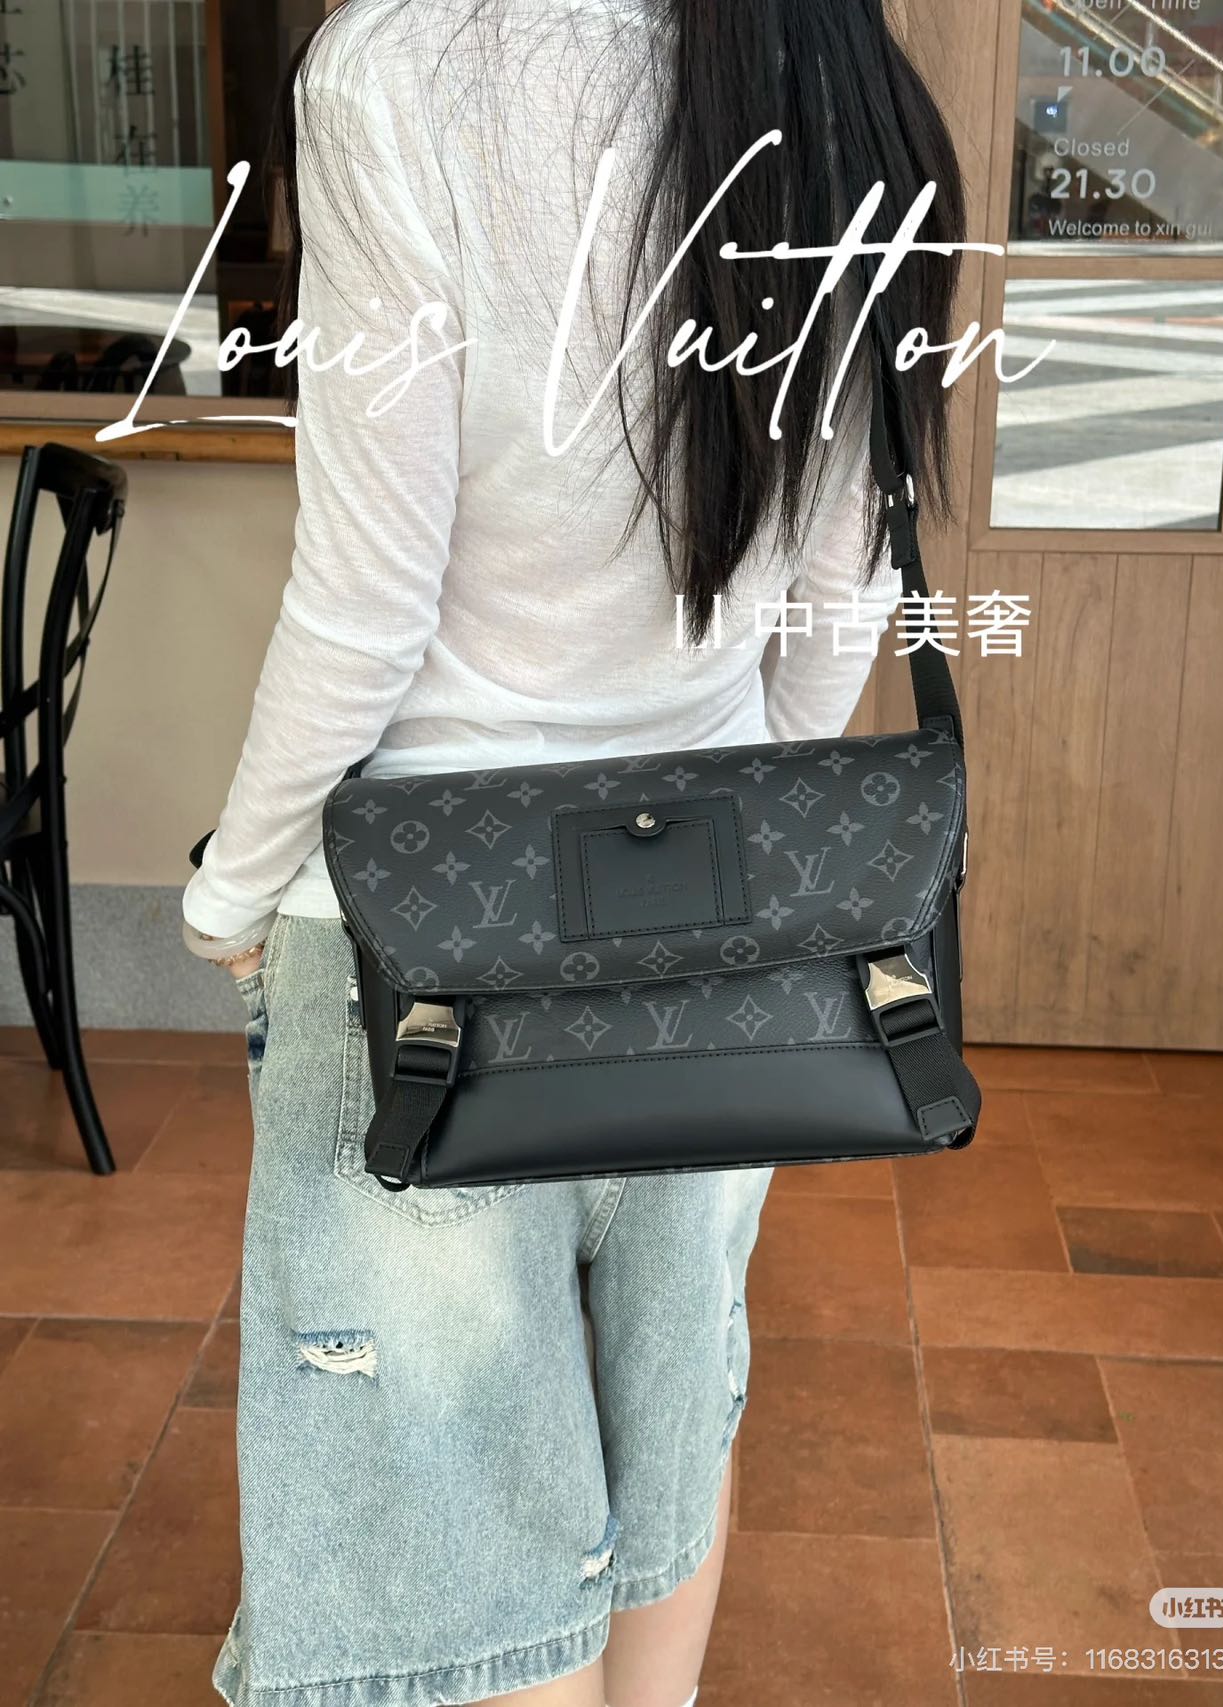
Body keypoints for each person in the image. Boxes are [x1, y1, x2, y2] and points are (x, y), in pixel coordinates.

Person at [182, 2, 965, 1703]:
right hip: (714, 940)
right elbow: (842, 593)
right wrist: (742, 836)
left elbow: (369, 599)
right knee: (667, 1424)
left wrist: (230, 887)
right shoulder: (833, 66)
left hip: (422, 948)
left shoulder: (399, 68)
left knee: (461, 1538)